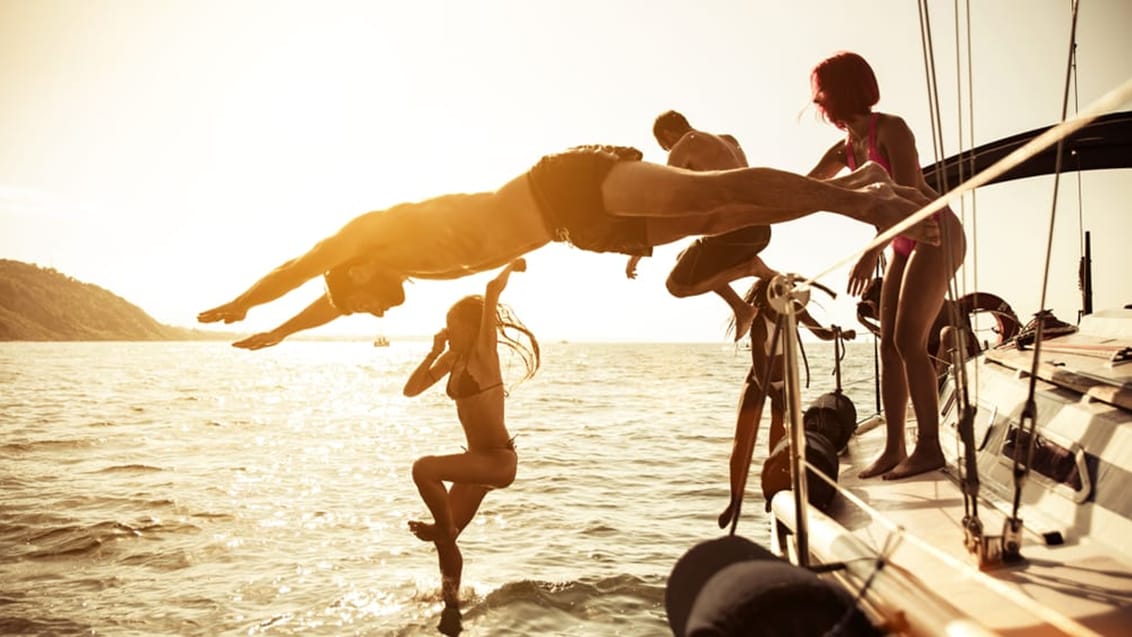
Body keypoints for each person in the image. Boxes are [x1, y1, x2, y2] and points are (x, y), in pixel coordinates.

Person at [197, 142, 937, 348]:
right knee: (723, 220)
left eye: (355, 301)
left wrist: (242, 298)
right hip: (575, 230)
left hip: (566, 188)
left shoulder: (374, 233)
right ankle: (866, 181)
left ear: (352, 270)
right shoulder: (408, 270)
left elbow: (307, 267)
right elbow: (321, 304)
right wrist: (271, 332)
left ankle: (862, 201)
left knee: (711, 194)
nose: (366, 311)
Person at [807, 51, 967, 480]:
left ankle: (929, 447)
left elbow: (908, 199)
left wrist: (870, 250)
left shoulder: (892, 129)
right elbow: (806, 186)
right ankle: (895, 446)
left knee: (910, 341)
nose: (817, 101)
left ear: (840, 91)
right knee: (888, 346)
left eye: (821, 91)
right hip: (899, 242)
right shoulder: (845, 149)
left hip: (934, 234)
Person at [401, 258, 538, 614]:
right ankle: (451, 602)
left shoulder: (482, 352)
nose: (449, 331)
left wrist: (513, 263)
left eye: (453, 325)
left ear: (471, 327)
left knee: (424, 469)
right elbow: (411, 390)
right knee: (447, 541)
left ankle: (439, 527)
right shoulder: (453, 359)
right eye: (446, 325)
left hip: (497, 461)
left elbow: (491, 290)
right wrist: (434, 351)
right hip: (478, 462)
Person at [625, 110, 778, 341]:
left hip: (735, 231)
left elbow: (665, 204)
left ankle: (750, 269)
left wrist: (638, 250)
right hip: (760, 229)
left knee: (676, 286)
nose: (667, 151)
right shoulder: (729, 140)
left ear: (667, 134)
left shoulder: (684, 147)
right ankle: (742, 308)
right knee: (685, 259)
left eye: (664, 146)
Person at [717, 276, 843, 529]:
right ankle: (735, 500)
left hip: (785, 382)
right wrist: (773, 394)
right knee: (743, 439)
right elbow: (760, 367)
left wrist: (838, 333)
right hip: (758, 382)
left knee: (780, 437)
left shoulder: (795, 311)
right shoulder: (759, 322)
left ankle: (773, 488)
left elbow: (821, 332)